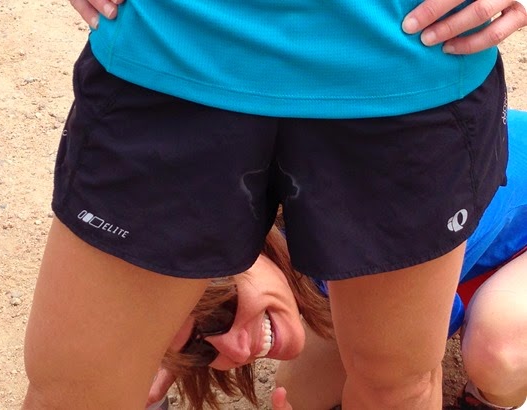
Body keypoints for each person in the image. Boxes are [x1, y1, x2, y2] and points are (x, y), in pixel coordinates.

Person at [21, 0, 526, 409]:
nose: (233, 348)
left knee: (398, 385)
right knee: (73, 395)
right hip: (169, 54)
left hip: (408, 73)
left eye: (213, 322)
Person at [143, 110, 527, 410]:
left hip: (485, 231)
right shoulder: (255, 212)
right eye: (202, 349)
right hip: (440, 239)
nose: (238, 351)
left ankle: (490, 397)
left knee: (495, 351)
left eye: (220, 317)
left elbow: (416, 362)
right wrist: (166, 352)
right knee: (301, 395)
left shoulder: (352, 231)